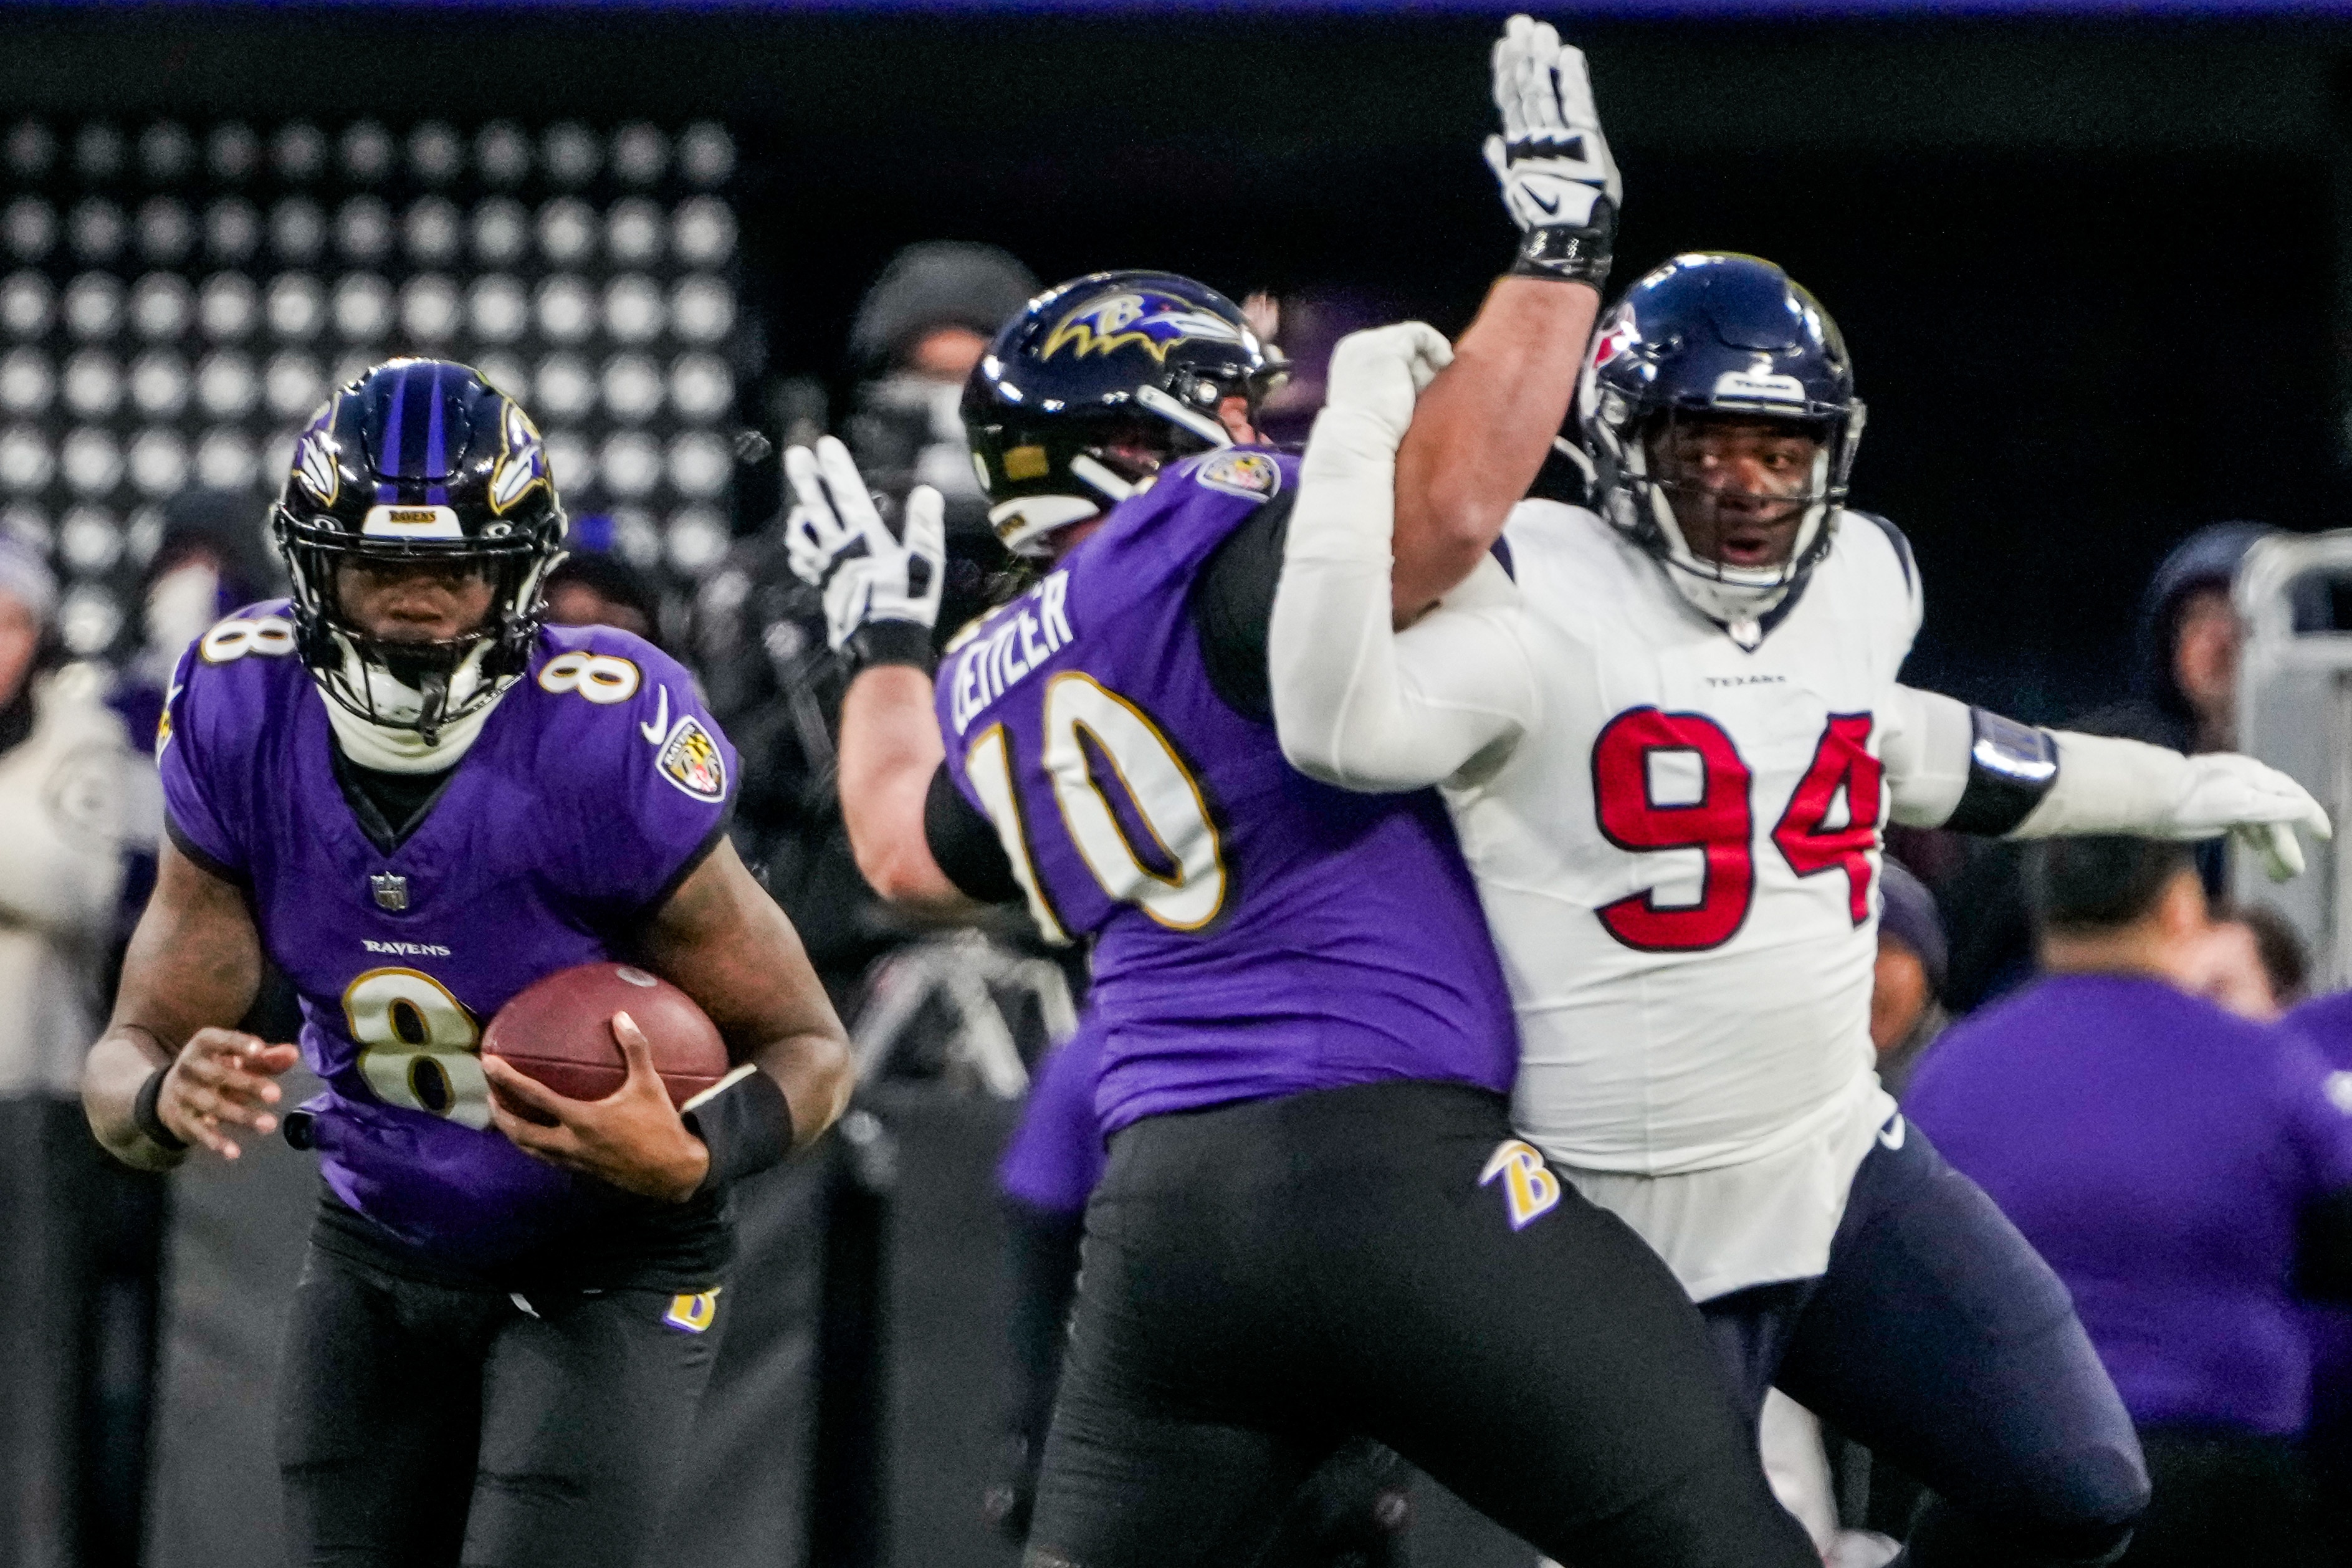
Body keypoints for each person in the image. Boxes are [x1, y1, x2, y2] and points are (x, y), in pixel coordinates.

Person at [792, 19, 1819, 1568]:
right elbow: (1447, 509)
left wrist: (879, 636)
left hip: (1162, 1221)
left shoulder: (996, 662)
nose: (1257, 439)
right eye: (1230, 414)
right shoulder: (1207, 526)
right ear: (1150, 441)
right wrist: (1559, 251)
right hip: (1391, 1167)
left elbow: (894, 839)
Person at [1264, 256, 2333, 1566]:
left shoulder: (1858, 585)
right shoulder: (1538, 591)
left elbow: (1910, 743)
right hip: (1609, 1206)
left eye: (1782, 452)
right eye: (1708, 447)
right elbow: (1328, 722)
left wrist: (2166, 785)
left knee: (2077, 1486)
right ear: (1621, 444)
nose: (1749, 488)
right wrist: (1362, 433)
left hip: (1834, 1155)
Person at [78, 358, 854, 1568]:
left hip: (608, 1255)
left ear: (523, 572)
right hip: (381, 1245)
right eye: (382, 566)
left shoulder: (603, 731)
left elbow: (813, 1051)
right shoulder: (239, 705)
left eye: (456, 567)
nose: (421, 606)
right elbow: (125, 1062)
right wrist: (158, 1101)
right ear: (314, 563)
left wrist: (696, 1155)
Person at [1907, 836, 2352, 1567]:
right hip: (2217, 1479)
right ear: (2181, 906)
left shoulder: (1951, 1071)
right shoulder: (2263, 1063)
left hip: (2007, 1476)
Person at [0, 532, 154, 1565]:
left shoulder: (88, 730)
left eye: (7, 622)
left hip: (33, 1104)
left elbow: (86, 889)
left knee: (34, 1376)